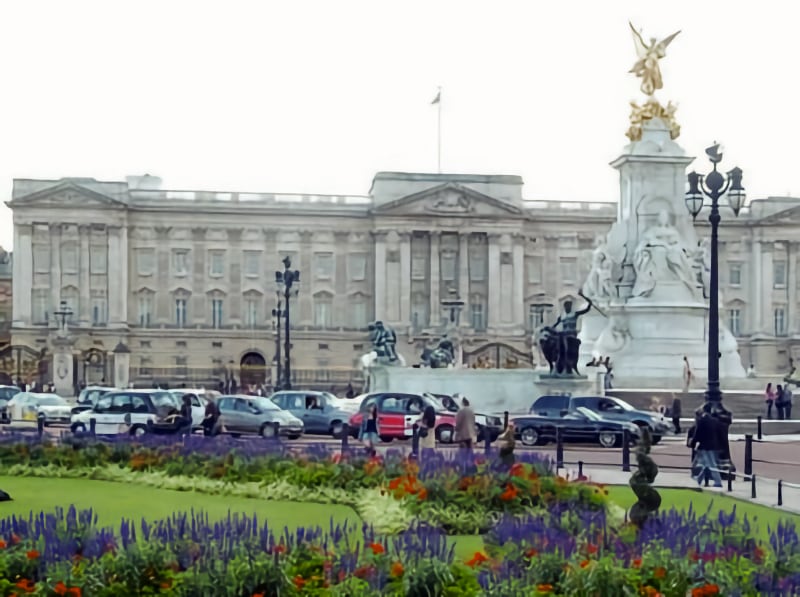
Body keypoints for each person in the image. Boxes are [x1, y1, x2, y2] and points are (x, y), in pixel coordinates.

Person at [689, 404, 722, 487]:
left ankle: (718, 481)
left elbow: (698, 434)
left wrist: (693, 442)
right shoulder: (714, 420)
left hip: (705, 446)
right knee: (705, 464)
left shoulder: (702, 420)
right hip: (713, 445)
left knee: (710, 464)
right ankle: (699, 479)